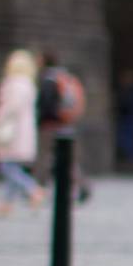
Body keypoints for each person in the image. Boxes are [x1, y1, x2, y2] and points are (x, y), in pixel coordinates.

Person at [0, 51, 44, 214]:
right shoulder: (28, 83)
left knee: (7, 166)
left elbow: (11, 107)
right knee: (12, 166)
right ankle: (7, 204)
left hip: (12, 131)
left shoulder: (15, 83)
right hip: (21, 131)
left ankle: (33, 189)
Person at [36, 50, 91, 201]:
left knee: (46, 158)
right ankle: (82, 185)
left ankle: (38, 189)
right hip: (65, 123)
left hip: (50, 124)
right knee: (67, 158)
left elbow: (46, 105)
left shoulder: (49, 80)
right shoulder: (64, 77)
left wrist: (41, 119)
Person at [115, 70, 133, 167]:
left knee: (132, 140)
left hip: (131, 120)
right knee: (124, 140)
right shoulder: (124, 91)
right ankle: (128, 159)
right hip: (124, 121)